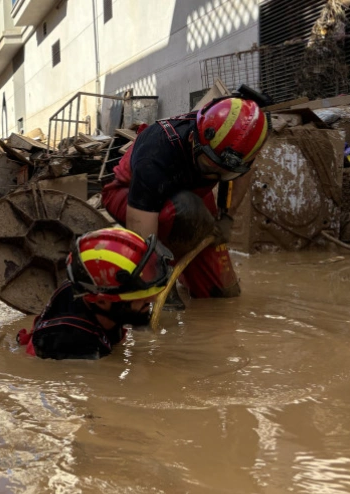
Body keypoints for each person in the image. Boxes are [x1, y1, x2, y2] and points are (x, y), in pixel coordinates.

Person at [101, 95, 269, 302]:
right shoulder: (155, 155)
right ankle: (168, 269)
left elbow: (243, 172)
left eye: (224, 174)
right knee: (187, 211)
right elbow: (142, 233)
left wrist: (227, 216)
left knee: (223, 294)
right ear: (193, 140)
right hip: (127, 193)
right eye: (208, 167)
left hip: (191, 195)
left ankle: (181, 268)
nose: (213, 177)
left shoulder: (237, 150)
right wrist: (153, 278)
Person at [17, 228, 174, 360]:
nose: (153, 298)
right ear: (102, 302)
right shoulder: (77, 343)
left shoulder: (88, 291)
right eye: (141, 297)